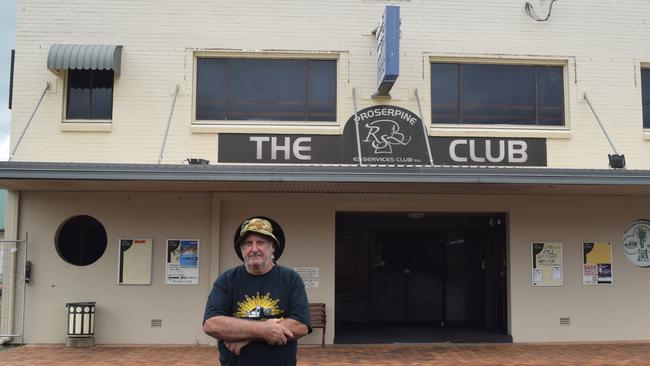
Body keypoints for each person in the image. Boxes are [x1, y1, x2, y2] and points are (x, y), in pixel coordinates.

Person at [203, 217, 312, 366]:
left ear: (273, 247)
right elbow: (211, 324)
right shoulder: (227, 280)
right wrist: (263, 330)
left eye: (261, 242)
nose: (254, 249)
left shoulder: (290, 279)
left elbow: (301, 325)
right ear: (242, 249)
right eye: (248, 243)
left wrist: (247, 335)